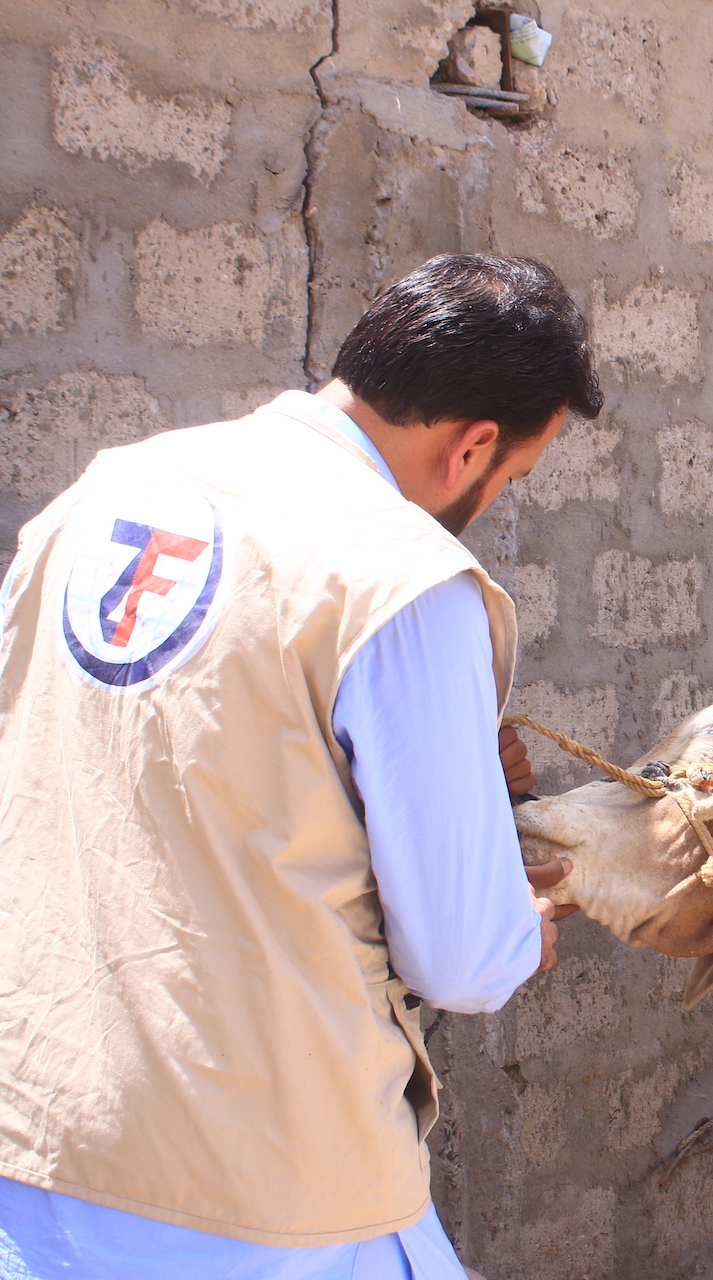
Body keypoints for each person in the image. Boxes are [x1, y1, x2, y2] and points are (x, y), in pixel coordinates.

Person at [0, 254, 601, 1278]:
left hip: (38, 1146)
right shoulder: (402, 578)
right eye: (516, 478)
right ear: (474, 447)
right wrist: (521, 929)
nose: (496, 496)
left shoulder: (103, 496)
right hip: (264, 1198)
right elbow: (463, 958)